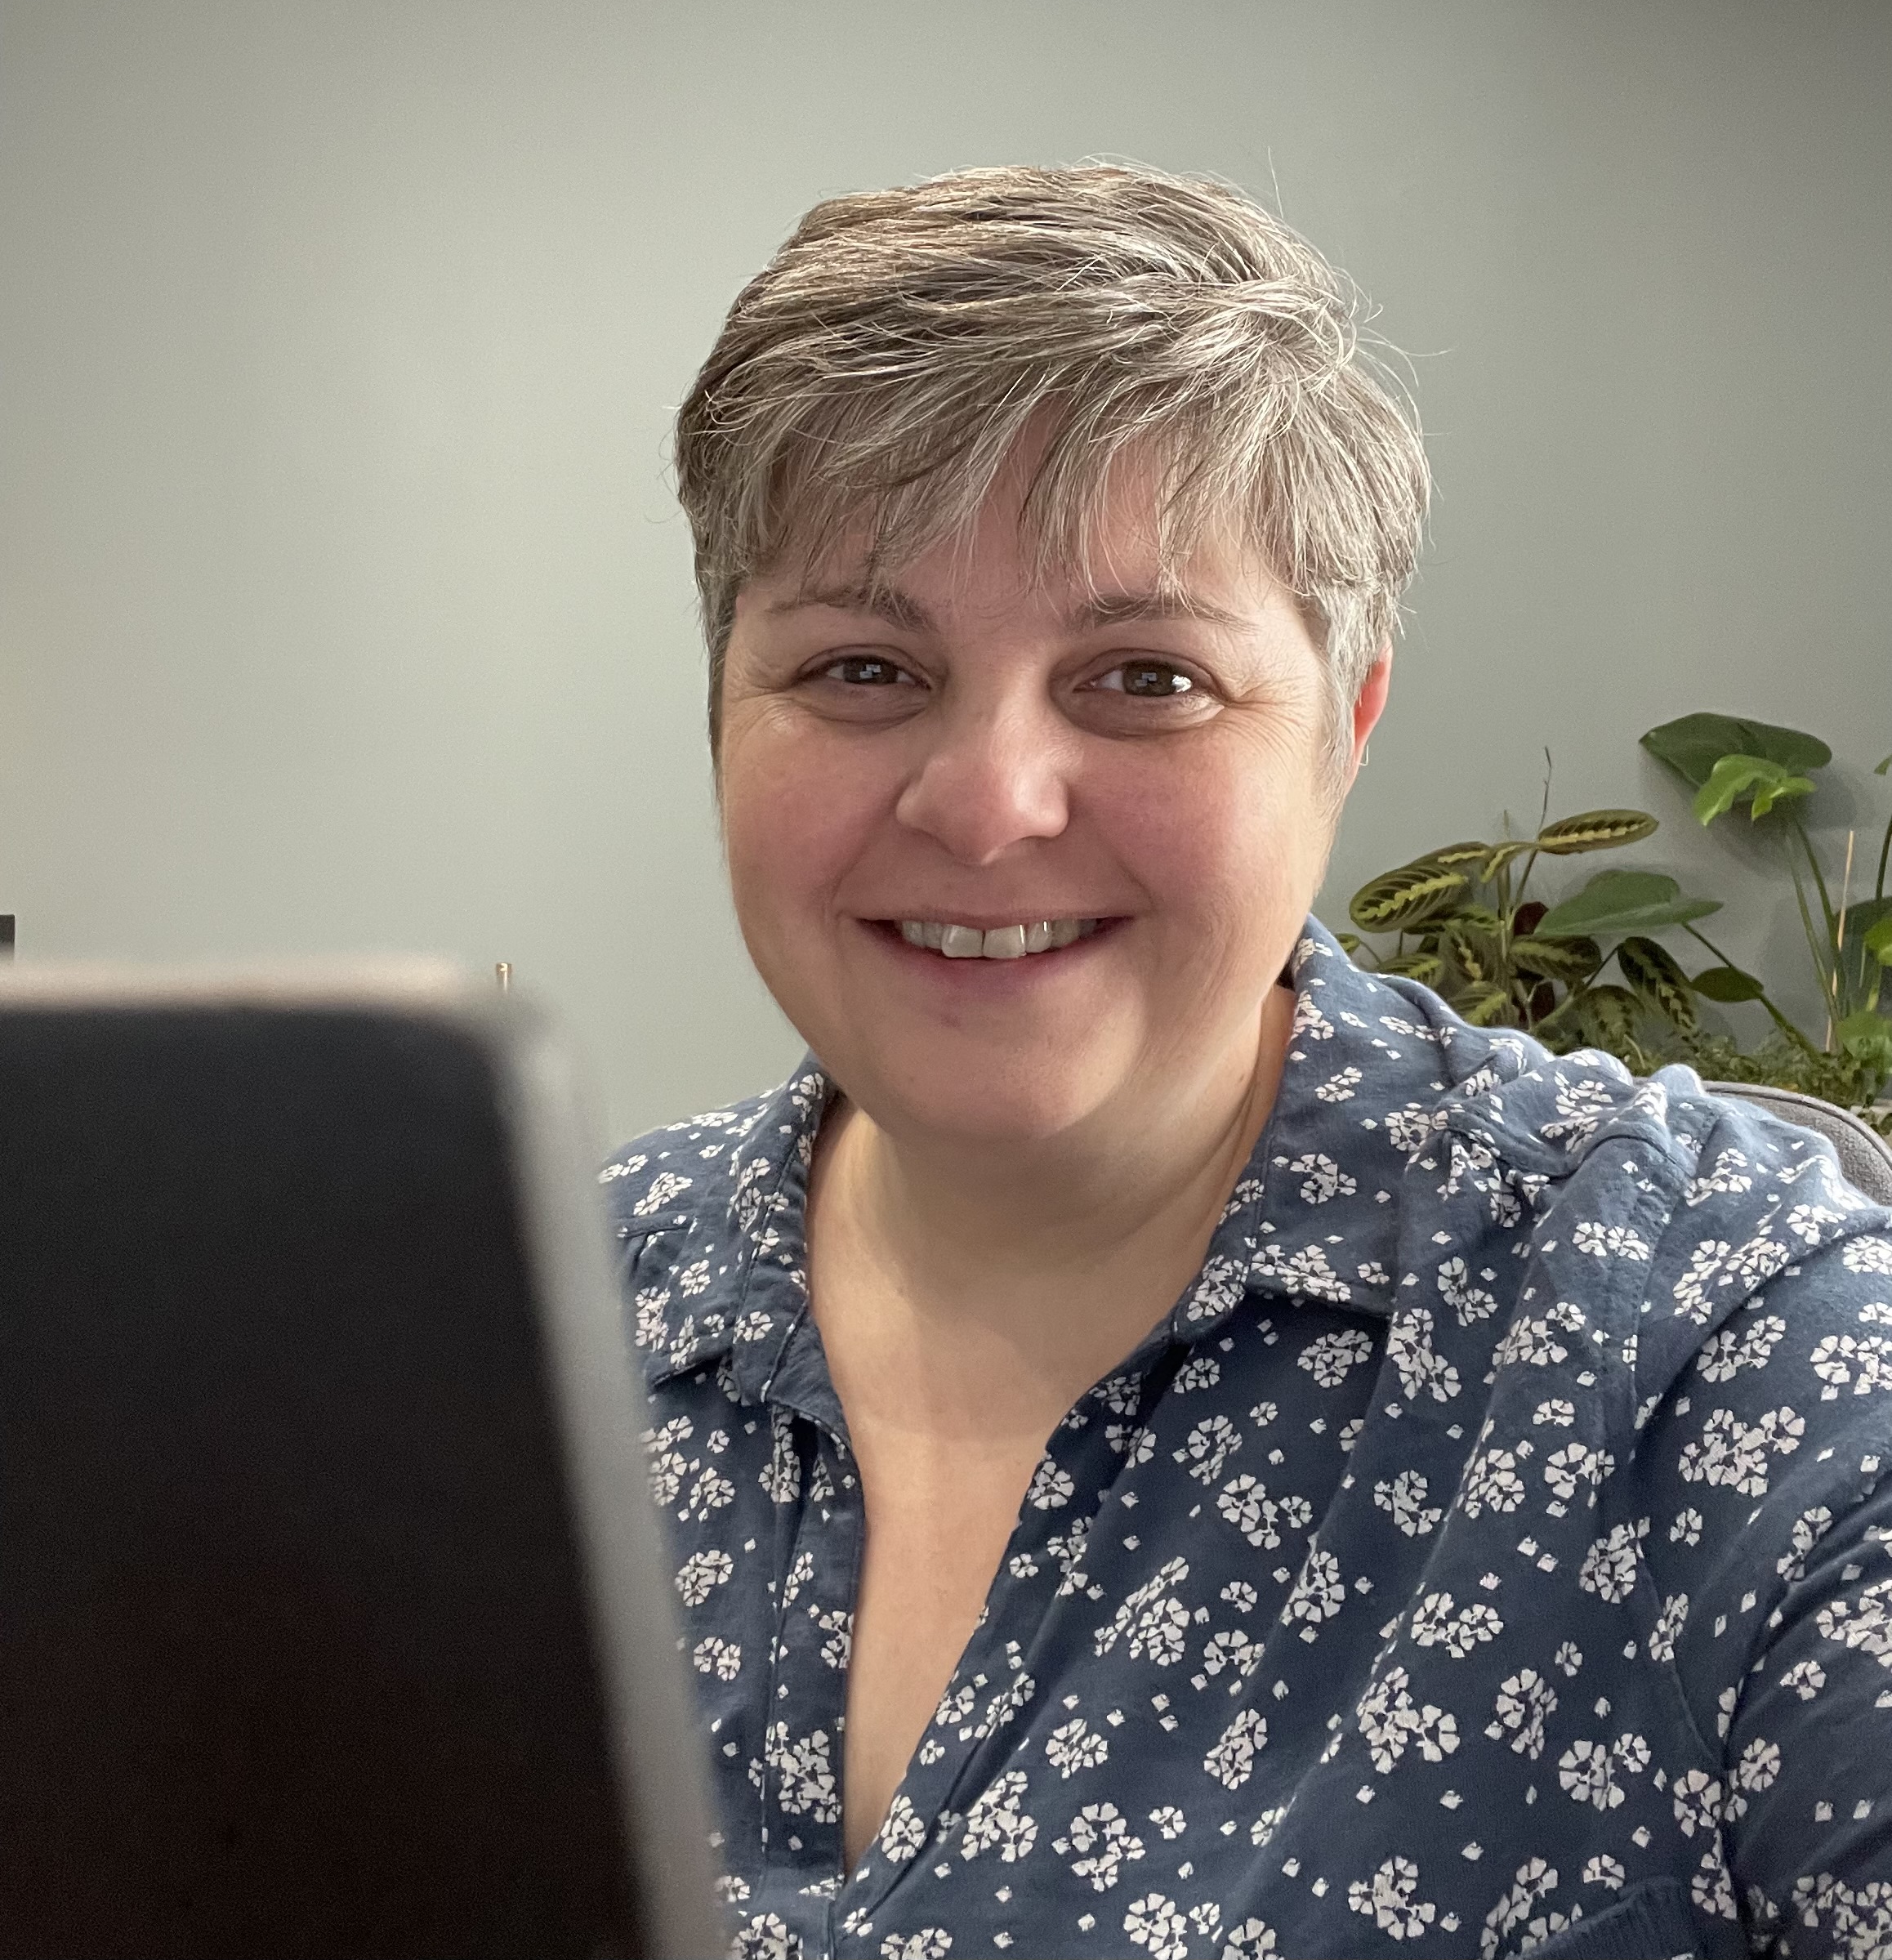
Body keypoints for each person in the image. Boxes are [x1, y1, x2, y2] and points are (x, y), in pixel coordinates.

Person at [603, 164, 1892, 1960]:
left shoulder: (1721, 1342)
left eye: (1144, 679)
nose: (986, 803)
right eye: (862, 665)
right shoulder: (531, 1322)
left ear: (1343, 727)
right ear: (723, 703)